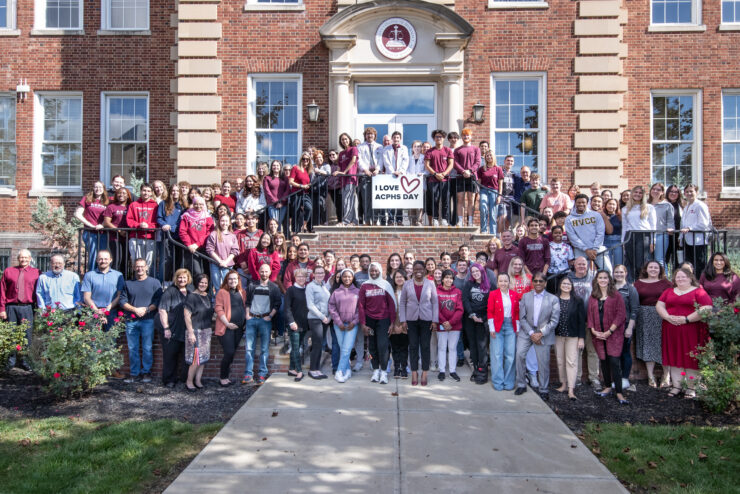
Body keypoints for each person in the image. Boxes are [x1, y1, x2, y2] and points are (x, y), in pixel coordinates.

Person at [656, 268, 713, 398]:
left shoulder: (698, 291)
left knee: (691, 357)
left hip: (692, 330)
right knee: (674, 356)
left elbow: (707, 308)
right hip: (671, 329)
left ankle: (691, 387)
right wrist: (668, 317)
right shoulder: (669, 291)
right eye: (677, 277)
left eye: (683, 277)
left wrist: (687, 319)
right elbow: (659, 305)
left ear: (690, 278)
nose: (680, 279)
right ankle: (677, 386)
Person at [514, 272, 559, 400]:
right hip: (527, 331)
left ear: (545, 283)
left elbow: (554, 321)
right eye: (536, 281)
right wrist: (531, 333)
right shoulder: (525, 296)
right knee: (519, 355)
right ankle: (522, 384)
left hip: (544, 333)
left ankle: (544, 389)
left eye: (541, 281)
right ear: (532, 282)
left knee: (543, 362)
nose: (538, 283)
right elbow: (522, 318)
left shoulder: (553, 299)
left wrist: (541, 333)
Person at [587, 270, 628, 404]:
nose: (603, 280)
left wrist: (609, 331)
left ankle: (620, 393)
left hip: (613, 334)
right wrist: (593, 330)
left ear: (609, 280)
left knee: (614, 362)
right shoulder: (593, 296)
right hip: (598, 334)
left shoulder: (616, 295)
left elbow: (621, 315)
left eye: (605, 278)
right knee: (603, 361)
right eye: (600, 278)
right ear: (596, 280)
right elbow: (590, 315)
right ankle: (607, 386)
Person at [120, 258, 163, 383]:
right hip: (131, 320)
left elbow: (158, 300)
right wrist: (135, 310)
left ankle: (146, 372)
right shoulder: (128, 283)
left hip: (148, 319)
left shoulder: (155, 283)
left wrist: (146, 310)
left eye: (142, 266)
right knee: (132, 348)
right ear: (134, 268)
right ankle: (134, 373)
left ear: (146, 267)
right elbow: (122, 301)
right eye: (137, 266)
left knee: (147, 347)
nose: (140, 269)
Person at [634, 260, 674, 388]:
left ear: (660, 270)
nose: (653, 269)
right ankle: (651, 377)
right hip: (644, 316)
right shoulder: (638, 284)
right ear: (646, 269)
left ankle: (666, 376)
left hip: (661, 316)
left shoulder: (667, 284)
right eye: (650, 267)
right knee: (648, 345)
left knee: (664, 345)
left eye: (656, 267)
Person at [399, 261, 438, 386]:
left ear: (425, 270)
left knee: (425, 346)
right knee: (413, 346)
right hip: (411, 319)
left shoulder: (431, 283)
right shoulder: (406, 284)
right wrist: (403, 320)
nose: (418, 271)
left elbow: (435, 303)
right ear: (412, 271)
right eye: (416, 269)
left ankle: (425, 372)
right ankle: (414, 371)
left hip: (427, 320)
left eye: (421, 269)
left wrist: (435, 320)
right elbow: (402, 303)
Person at [0, 249, 40, 369]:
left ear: (30, 259)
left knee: (26, 335)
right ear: (18, 258)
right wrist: (2, 309)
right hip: (11, 307)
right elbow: (2, 292)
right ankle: (10, 361)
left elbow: (39, 293)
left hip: (27, 308)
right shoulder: (9, 271)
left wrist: (38, 311)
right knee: (11, 334)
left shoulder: (37, 273)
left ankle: (25, 361)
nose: (23, 259)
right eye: (21, 257)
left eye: (26, 257)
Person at [359, 262, 396, 384]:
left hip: (383, 320)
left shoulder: (386, 285)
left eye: (376, 271)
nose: (374, 273)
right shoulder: (364, 286)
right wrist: (363, 323)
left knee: (383, 346)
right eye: (372, 271)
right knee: (372, 347)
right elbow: (361, 306)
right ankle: (375, 370)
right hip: (370, 320)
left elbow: (392, 305)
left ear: (380, 271)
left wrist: (392, 323)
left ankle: (384, 371)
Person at [568, 256, 600, 388]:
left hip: (591, 320)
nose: (581, 266)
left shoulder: (593, 278)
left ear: (587, 266)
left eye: (584, 264)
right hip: (575, 321)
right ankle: (577, 378)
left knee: (592, 351)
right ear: (574, 265)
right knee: (577, 351)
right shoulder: (569, 278)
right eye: (579, 264)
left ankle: (594, 378)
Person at [552, 277, 586, 401]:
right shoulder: (554, 299)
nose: (566, 285)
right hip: (558, 335)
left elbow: (582, 321)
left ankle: (571, 389)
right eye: (564, 283)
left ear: (572, 286)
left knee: (571, 361)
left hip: (573, 336)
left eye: (568, 284)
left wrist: (581, 338)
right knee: (560, 360)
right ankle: (563, 384)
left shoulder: (578, 301)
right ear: (560, 285)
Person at [157, 268, 192, 388]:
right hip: (171, 329)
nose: (182, 280)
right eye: (179, 277)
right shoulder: (170, 291)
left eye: (184, 277)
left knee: (186, 356)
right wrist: (166, 328)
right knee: (170, 356)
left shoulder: (190, 291)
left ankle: (184, 379)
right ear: (176, 279)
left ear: (188, 279)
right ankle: (169, 380)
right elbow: (162, 310)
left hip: (185, 330)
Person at [487, 273, 520, 391]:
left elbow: (516, 313)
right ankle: (497, 382)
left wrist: (517, 328)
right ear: (497, 283)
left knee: (510, 355)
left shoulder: (514, 295)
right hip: (497, 327)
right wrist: (491, 328)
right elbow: (490, 312)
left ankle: (509, 382)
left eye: (505, 281)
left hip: (510, 326)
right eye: (501, 281)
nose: (503, 283)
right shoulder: (493, 294)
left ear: (509, 282)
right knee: (497, 355)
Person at [213, 270, 246, 386]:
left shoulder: (242, 292)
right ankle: (223, 377)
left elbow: (244, 307)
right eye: (230, 279)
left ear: (238, 281)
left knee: (232, 353)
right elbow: (218, 309)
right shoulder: (222, 292)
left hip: (239, 329)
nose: (233, 281)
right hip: (226, 327)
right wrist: (227, 323)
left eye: (235, 279)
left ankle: (226, 376)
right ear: (227, 280)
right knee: (229, 352)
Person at [329, 268, 361, 382]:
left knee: (347, 349)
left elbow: (360, 310)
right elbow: (332, 308)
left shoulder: (357, 291)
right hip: (339, 325)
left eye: (349, 276)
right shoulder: (336, 292)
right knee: (343, 348)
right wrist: (339, 322)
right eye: (344, 277)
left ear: (352, 278)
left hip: (352, 325)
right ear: (341, 278)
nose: (347, 278)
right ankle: (347, 371)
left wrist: (354, 322)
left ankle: (339, 371)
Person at [565, 193, 611, 273]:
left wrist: (595, 249)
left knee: (607, 271)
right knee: (581, 273)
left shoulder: (596, 215)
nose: (581, 204)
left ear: (587, 203)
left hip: (597, 249)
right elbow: (572, 237)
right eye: (579, 202)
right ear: (575, 203)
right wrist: (586, 249)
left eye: (583, 202)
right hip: (580, 250)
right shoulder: (569, 219)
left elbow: (600, 233)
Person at [183, 273, 214, 391]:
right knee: (195, 359)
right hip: (195, 331)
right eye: (201, 282)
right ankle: (189, 381)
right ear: (197, 282)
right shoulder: (191, 296)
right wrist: (190, 332)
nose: (203, 285)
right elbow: (186, 316)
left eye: (205, 283)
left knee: (203, 358)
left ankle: (198, 380)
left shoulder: (207, 295)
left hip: (206, 331)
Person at [463, 263, 492, 384]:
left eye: (477, 271)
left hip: (483, 320)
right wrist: (472, 315)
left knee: (482, 347)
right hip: (470, 319)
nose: (475, 273)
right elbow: (465, 299)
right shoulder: (469, 284)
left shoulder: (490, 285)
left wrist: (483, 318)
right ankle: (476, 369)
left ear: (481, 271)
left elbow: (491, 303)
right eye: (473, 271)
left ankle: (483, 371)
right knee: (473, 346)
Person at [81, 249, 124, 329]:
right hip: (93, 312)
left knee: (111, 340)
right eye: (100, 259)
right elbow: (86, 297)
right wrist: (97, 311)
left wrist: (107, 309)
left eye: (106, 259)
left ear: (110, 260)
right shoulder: (89, 275)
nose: (103, 261)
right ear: (97, 260)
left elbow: (120, 295)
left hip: (112, 311)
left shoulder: (118, 275)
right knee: (93, 340)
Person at [612, 264, 639, 391]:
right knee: (613, 353)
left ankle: (625, 379)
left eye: (621, 272)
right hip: (611, 326)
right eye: (616, 272)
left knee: (625, 352)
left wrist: (630, 327)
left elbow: (634, 309)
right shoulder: (609, 288)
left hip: (625, 325)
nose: (618, 274)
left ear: (626, 273)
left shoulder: (630, 289)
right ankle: (615, 378)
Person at [622, 185, 656, 282]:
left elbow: (653, 226)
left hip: (643, 235)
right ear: (632, 193)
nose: (637, 194)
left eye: (640, 193)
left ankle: (642, 282)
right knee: (630, 262)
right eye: (635, 192)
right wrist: (623, 242)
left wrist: (653, 241)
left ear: (643, 195)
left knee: (640, 263)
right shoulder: (625, 208)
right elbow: (624, 227)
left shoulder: (649, 207)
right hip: (629, 235)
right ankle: (633, 283)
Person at [75, 181, 109, 271]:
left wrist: (102, 225)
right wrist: (90, 225)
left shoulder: (107, 201)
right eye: (96, 187)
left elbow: (110, 216)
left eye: (100, 187)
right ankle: (92, 274)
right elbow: (77, 214)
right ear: (93, 188)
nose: (98, 189)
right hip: (90, 232)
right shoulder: (87, 199)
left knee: (103, 255)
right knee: (93, 255)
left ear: (104, 189)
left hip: (103, 233)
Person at [306, 265, 331, 380]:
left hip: (325, 319)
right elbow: (310, 305)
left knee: (320, 344)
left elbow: (329, 303)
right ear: (314, 274)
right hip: (315, 319)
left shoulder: (324, 286)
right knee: (317, 344)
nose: (320, 274)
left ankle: (317, 369)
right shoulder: (310, 287)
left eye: (322, 273)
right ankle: (313, 370)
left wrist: (329, 317)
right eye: (318, 273)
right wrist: (322, 317)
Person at [125, 183, 158, 272]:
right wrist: (138, 225)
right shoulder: (134, 205)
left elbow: (157, 222)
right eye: (144, 190)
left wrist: (149, 226)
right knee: (136, 262)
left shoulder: (155, 206)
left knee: (148, 262)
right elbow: (129, 220)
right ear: (140, 191)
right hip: (135, 237)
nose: (146, 193)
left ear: (151, 193)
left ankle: (147, 281)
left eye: (148, 191)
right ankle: (137, 280)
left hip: (150, 238)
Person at [424, 129, 454, 226]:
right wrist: (436, 174)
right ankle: (435, 218)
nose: (439, 138)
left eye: (440, 137)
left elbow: (451, 164)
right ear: (434, 138)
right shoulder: (430, 151)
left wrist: (444, 173)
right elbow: (427, 165)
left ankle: (444, 218)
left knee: (445, 199)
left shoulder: (448, 150)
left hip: (445, 179)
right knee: (434, 199)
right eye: (437, 137)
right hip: (433, 179)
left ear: (444, 138)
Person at [681, 184, 712, 275]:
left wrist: (690, 228)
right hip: (687, 241)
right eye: (687, 192)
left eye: (691, 191)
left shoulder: (700, 205)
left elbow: (704, 224)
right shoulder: (686, 207)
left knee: (699, 266)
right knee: (689, 266)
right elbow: (683, 224)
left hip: (698, 241)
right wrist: (680, 238)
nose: (689, 193)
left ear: (696, 193)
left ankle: (700, 286)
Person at [285, 268, 310, 381]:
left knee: (298, 346)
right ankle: (299, 371)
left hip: (304, 324)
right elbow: (287, 308)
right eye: (299, 276)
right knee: (295, 348)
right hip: (294, 324)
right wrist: (291, 322)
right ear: (295, 277)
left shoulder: (307, 290)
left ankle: (291, 369)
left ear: (306, 278)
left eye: (303, 276)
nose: (301, 278)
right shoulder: (291, 290)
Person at [379, 131, 409, 225]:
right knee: (391, 198)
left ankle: (399, 219)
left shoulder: (404, 148)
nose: (396, 139)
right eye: (394, 137)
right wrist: (393, 172)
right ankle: (391, 219)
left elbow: (405, 160)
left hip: (400, 176)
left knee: (399, 198)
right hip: (390, 176)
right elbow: (386, 161)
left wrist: (400, 171)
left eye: (398, 138)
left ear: (400, 139)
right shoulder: (386, 149)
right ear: (392, 139)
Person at [452, 129, 480, 227]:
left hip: (472, 177)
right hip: (460, 176)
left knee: (471, 199)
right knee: (460, 199)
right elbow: (455, 163)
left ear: (471, 137)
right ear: (462, 137)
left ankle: (470, 221)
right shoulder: (457, 150)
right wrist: (463, 171)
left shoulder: (476, 149)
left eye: (468, 135)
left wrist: (470, 171)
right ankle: (460, 220)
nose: (466, 137)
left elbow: (477, 162)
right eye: (464, 135)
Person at [206, 214, 239, 295]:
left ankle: (228, 304)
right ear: (219, 222)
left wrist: (226, 262)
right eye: (222, 221)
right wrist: (220, 261)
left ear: (230, 223)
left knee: (227, 286)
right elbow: (210, 249)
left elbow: (235, 251)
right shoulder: (214, 234)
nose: (224, 223)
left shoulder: (232, 236)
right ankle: (218, 305)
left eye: (226, 221)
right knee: (217, 287)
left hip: (228, 265)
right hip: (215, 264)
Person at [157, 183, 184, 281]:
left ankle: (175, 281)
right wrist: (164, 225)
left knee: (178, 260)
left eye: (177, 190)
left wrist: (173, 227)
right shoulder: (163, 203)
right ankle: (164, 281)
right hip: (166, 236)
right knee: (167, 260)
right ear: (170, 192)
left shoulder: (182, 205)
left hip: (179, 237)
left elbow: (182, 221)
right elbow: (159, 218)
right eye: (173, 190)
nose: (175, 192)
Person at [357, 127, 383, 225]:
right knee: (366, 199)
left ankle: (375, 220)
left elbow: (381, 160)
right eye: (368, 134)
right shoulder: (360, 147)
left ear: (375, 136)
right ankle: (367, 220)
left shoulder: (380, 147)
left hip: (377, 176)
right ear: (365, 136)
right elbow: (359, 160)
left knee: (376, 199)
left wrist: (377, 169)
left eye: (371, 134)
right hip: (365, 175)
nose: (370, 135)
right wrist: (365, 170)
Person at [102, 187, 131, 272]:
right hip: (114, 238)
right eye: (119, 193)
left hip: (128, 237)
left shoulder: (130, 206)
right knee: (117, 260)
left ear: (128, 196)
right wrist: (119, 231)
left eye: (124, 193)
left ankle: (124, 280)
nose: (121, 195)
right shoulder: (111, 207)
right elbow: (106, 222)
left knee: (125, 261)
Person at [387, 269, 409, 379]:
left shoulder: (409, 292)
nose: (399, 279)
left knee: (404, 348)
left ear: (405, 278)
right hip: (394, 325)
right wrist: (394, 325)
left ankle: (404, 368)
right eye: (397, 277)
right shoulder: (391, 292)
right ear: (394, 279)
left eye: (402, 277)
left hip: (406, 325)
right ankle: (396, 368)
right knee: (395, 349)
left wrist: (403, 325)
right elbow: (390, 310)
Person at [648, 182, 675, 269]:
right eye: (653, 189)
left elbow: (670, 221)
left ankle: (665, 281)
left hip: (661, 235)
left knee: (659, 260)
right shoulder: (645, 205)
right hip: (647, 235)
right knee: (647, 260)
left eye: (658, 190)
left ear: (662, 192)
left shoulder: (667, 205)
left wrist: (670, 229)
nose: (655, 191)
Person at [476, 150, 503, 235]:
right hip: (483, 191)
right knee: (483, 209)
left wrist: (499, 196)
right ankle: (484, 230)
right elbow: (479, 183)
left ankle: (492, 233)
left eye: (490, 155)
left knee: (493, 213)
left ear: (493, 157)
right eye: (487, 156)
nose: (489, 157)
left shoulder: (498, 169)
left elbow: (500, 184)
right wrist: (478, 194)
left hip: (494, 192)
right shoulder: (481, 169)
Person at [546, 225, 574, 293]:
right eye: (555, 233)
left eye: (559, 233)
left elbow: (570, 261)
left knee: (563, 293)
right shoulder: (548, 246)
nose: (558, 234)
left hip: (565, 274)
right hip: (552, 274)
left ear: (562, 234)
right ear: (552, 234)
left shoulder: (567, 247)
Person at [263, 160, 289, 229]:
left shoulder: (285, 178)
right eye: (274, 165)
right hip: (272, 204)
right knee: (273, 223)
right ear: (271, 167)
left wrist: (282, 202)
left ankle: (279, 238)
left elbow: (287, 190)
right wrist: (275, 202)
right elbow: (267, 191)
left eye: (277, 165)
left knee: (279, 222)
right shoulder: (267, 178)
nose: (275, 167)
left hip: (283, 204)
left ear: (280, 167)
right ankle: (274, 238)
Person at [664, 184, 684, 268]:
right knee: (665, 259)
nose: (673, 193)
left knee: (677, 261)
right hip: (665, 236)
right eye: (671, 191)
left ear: (679, 194)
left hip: (677, 237)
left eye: (676, 192)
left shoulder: (682, 206)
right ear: (667, 192)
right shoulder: (663, 205)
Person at [407, 140, 426, 226]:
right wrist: (408, 175)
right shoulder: (409, 158)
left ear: (421, 148)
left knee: (420, 203)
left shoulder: (424, 158)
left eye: (419, 146)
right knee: (411, 203)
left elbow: (427, 170)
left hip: (421, 183)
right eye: (415, 146)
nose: (417, 148)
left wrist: (423, 174)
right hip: (410, 183)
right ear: (412, 148)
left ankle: (419, 220)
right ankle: (412, 221)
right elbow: (406, 170)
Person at [603, 198, 623, 268]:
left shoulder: (620, 217)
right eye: (609, 204)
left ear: (617, 206)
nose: (611, 206)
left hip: (617, 242)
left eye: (613, 204)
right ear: (606, 205)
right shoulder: (602, 216)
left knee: (618, 264)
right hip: (605, 241)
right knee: (607, 265)